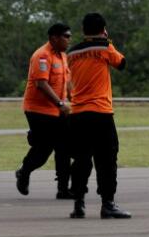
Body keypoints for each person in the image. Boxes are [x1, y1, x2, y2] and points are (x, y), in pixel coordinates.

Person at [66, 13, 131, 219]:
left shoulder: (72, 52)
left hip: (77, 113)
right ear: (103, 29)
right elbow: (122, 63)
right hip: (100, 112)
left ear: (83, 30)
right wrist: (107, 40)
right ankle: (107, 204)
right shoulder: (105, 47)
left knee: (81, 159)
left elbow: (68, 82)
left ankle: (78, 203)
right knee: (107, 158)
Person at [16, 23, 73, 200]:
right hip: (38, 110)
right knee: (43, 150)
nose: (69, 40)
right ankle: (24, 171)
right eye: (66, 36)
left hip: (58, 110)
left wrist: (75, 100)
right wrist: (60, 103)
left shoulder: (63, 56)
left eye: (69, 36)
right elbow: (41, 84)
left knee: (64, 146)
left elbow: (67, 82)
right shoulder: (42, 55)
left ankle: (63, 189)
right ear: (54, 38)